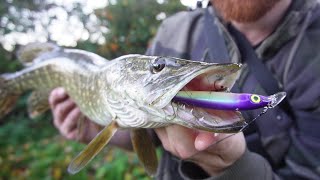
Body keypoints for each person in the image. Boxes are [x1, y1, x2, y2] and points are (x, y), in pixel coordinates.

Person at [49, 0, 320, 179]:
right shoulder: (174, 30)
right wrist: (99, 129)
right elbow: (146, 130)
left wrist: (237, 169)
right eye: (158, 69)